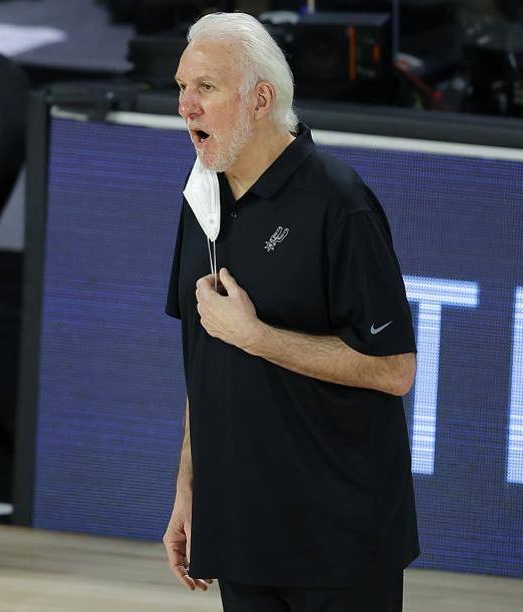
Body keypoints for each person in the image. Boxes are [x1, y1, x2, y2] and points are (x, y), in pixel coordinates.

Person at [163, 12, 419, 612]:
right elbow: (203, 363)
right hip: (242, 529)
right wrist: (189, 487)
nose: (186, 107)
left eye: (206, 88)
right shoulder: (201, 201)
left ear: (260, 99)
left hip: (337, 537)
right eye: (181, 87)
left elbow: (394, 369)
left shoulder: (339, 204)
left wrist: (257, 337)